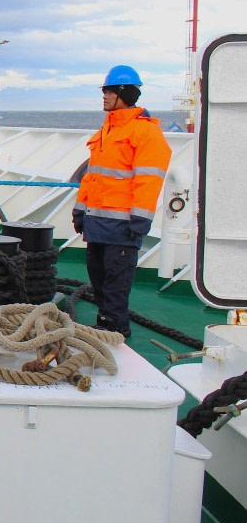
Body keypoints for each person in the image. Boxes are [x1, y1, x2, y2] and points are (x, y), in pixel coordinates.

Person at [72, 65, 171, 338]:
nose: (104, 96)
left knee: (116, 280)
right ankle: (105, 323)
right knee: (98, 277)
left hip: (122, 225)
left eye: (109, 91)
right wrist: (80, 211)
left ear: (124, 93)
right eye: (104, 91)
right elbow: (92, 177)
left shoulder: (145, 132)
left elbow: (149, 179)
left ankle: (115, 329)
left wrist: (140, 219)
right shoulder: (108, 131)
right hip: (97, 222)